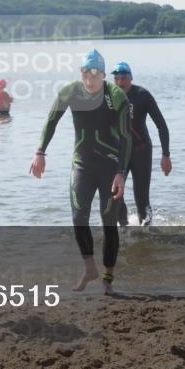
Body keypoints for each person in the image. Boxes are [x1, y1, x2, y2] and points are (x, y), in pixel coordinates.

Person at [29, 49, 131, 295]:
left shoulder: (116, 96)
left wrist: (121, 174)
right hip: (82, 164)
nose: (89, 78)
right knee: (78, 217)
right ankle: (90, 268)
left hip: (110, 166)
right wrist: (40, 152)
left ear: (103, 74)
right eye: (85, 72)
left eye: (94, 73)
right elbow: (51, 121)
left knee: (108, 222)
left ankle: (108, 278)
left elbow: (126, 138)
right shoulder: (70, 91)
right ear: (81, 72)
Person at [111, 61, 171, 226]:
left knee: (142, 199)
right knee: (115, 194)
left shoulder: (142, 95)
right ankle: (124, 229)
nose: (120, 82)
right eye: (116, 78)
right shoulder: (108, 97)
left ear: (130, 78)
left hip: (141, 151)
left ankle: (147, 234)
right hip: (119, 152)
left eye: (123, 78)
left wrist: (166, 155)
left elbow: (161, 125)